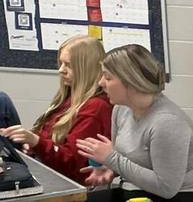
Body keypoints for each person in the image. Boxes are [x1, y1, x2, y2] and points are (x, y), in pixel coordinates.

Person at [73, 45, 193, 202]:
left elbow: (166, 188)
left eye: (108, 77)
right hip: (136, 193)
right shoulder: (121, 109)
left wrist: (112, 159)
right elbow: (127, 158)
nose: (101, 83)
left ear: (131, 83)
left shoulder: (167, 123)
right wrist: (109, 168)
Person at [1, 35, 112, 183]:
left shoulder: (95, 107)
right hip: (42, 161)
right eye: (60, 63)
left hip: (62, 176)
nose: (61, 70)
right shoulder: (68, 97)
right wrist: (32, 143)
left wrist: (36, 142)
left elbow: (72, 163)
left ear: (86, 69)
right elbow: (48, 135)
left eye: (68, 65)